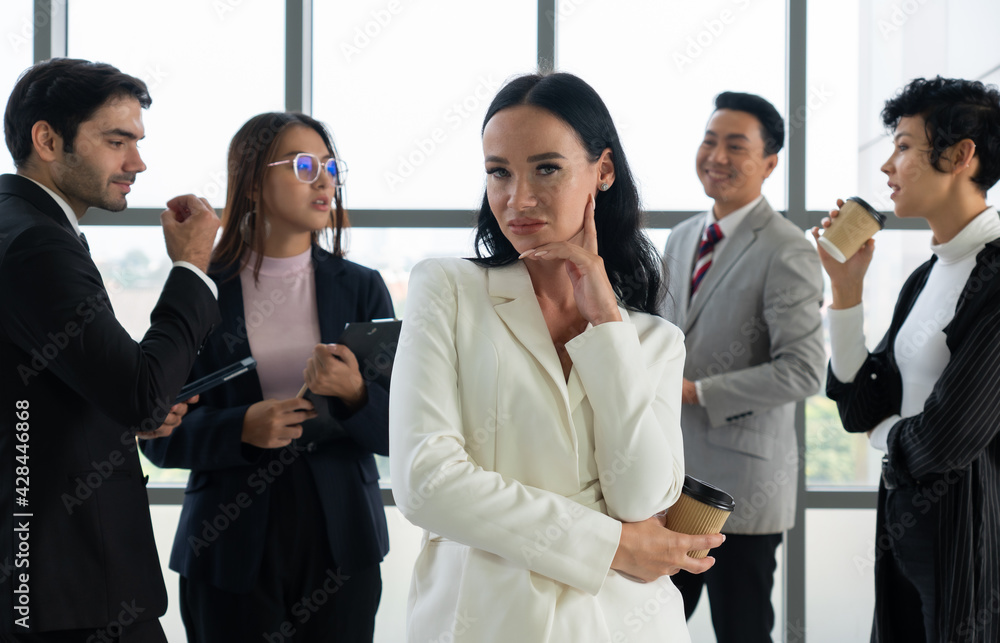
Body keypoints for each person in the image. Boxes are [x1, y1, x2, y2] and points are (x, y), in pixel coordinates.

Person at [389, 72, 724, 643]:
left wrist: (607, 326)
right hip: (486, 620)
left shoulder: (652, 340)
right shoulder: (447, 290)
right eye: (499, 172)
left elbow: (641, 495)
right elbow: (426, 483)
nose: (517, 198)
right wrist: (614, 544)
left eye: (546, 168)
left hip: (624, 623)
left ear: (604, 171)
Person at [139, 112, 393, 642]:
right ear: (252, 181)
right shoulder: (202, 289)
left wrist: (354, 394)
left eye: (330, 166)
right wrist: (241, 428)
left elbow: (402, 431)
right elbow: (156, 433)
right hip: (229, 544)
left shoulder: (363, 289)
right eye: (304, 166)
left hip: (341, 540)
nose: (324, 181)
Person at [0, 58, 220, 641]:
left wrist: (116, 411)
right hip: (69, 590)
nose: (137, 163)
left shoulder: (15, 224)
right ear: (47, 139)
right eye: (116, 141)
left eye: (138, 142)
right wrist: (192, 267)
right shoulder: (37, 244)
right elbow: (144, 397)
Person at [818, 76, 1000, 643]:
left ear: (961, 155)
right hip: (902, 520)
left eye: (902, 146)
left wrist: (885, 435)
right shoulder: (926, 277)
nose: (886, 167)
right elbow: (859, 404)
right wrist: (846, 292)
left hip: (967, 530)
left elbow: (948, 437)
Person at [660, 91, 825, 642]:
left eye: (735, 145)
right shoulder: (682, 237)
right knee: (652, 625)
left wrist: (696, 393)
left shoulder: (786, 249)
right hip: (667, 481)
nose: (717, 156)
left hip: (743, 495)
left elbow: (803, 370)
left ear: (770, 163)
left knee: (742, 631)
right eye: (709, 141)